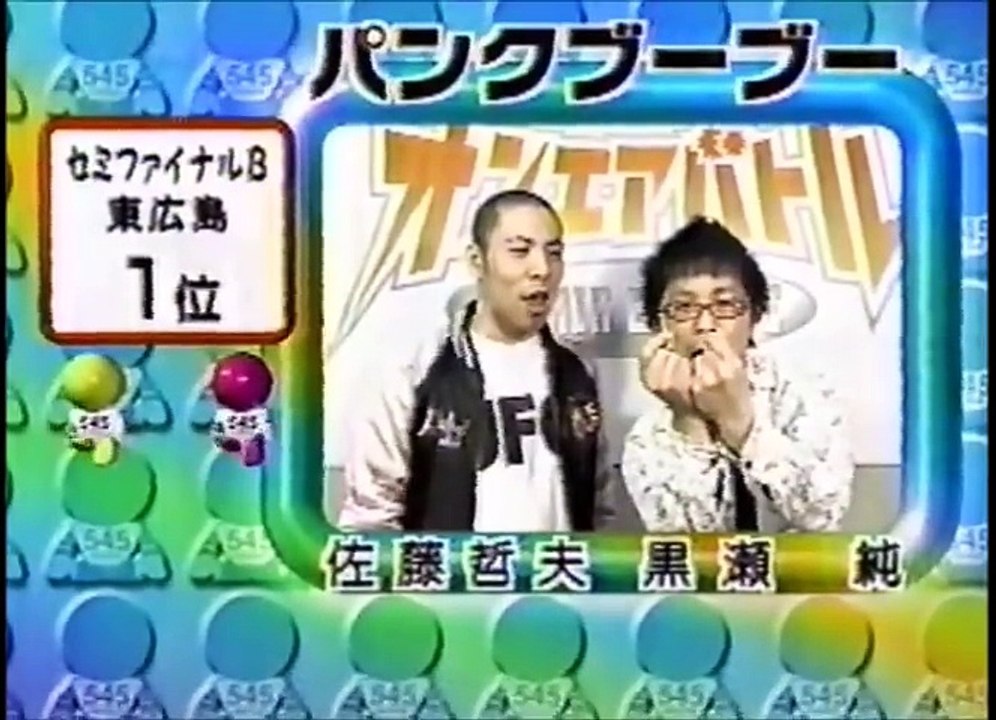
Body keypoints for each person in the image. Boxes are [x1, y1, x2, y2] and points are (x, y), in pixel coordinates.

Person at [337, 189, 620, 532]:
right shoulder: (413, 370)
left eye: (554, 253)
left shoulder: (578, 374)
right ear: (477, 261)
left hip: (557, 565)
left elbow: (600, 513)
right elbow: (371, 519)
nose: (542, 269)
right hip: (451, 566)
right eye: (520, 251)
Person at [622, 216, 854, 533]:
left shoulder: (802, 393)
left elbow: (821, 513)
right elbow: (687, 545)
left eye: (725, 304)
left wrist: (740, 423)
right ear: (658, 324)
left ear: (755, 315)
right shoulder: (649, 437)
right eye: (684, 307)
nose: (705, 325)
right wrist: (688, 420)